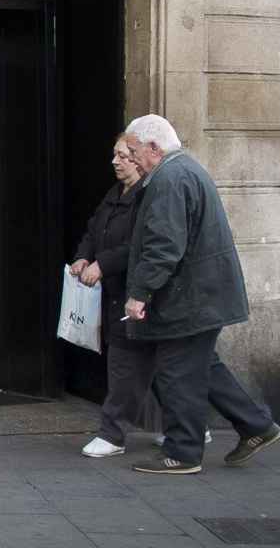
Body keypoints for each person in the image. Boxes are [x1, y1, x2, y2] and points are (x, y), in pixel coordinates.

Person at [120, 114, 280, 475]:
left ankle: (183, 451)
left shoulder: (169, 179)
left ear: (153, 147)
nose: (130, 159)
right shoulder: (182, 171)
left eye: (133, 151)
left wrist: (139, 294)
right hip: (204, 296)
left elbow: (164, 246)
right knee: (201, 366)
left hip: (192, 299)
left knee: (176, 373)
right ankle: (256, 426)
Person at [73, 133, 159, 458]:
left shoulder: (146, 197)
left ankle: (112, 434)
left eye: (123, 156)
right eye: (115, 155)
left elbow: (137, 245)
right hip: (111, 294)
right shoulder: (114, 194)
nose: (115, 161)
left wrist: (102, 264)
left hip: (133, 294)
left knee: (126, 363)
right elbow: (94, 229)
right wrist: (83, 256)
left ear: (138, 160)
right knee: (151, 365)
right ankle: (185, 423)